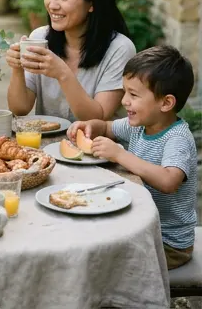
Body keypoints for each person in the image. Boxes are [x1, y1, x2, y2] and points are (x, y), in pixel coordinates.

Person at [68, 45, 197, 270]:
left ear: (166, 103)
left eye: (134, 95)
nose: (124, 101)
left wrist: (120, 154)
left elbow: (169, 181)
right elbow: (107, 127)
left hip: (167, 243)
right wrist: (89, 126)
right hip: (140, 228)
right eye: (125, 91)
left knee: (98, 261)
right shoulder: (138, 125)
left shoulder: (177, 139)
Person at [6, 0, 136, 121]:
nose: (52, 5)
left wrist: (62, 73)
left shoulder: (120, 49)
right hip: (46, 145)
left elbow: (98, 117)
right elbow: (20, 109)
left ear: (92, 3)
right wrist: (17, 69)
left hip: (96, 146)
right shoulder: (39, 38)